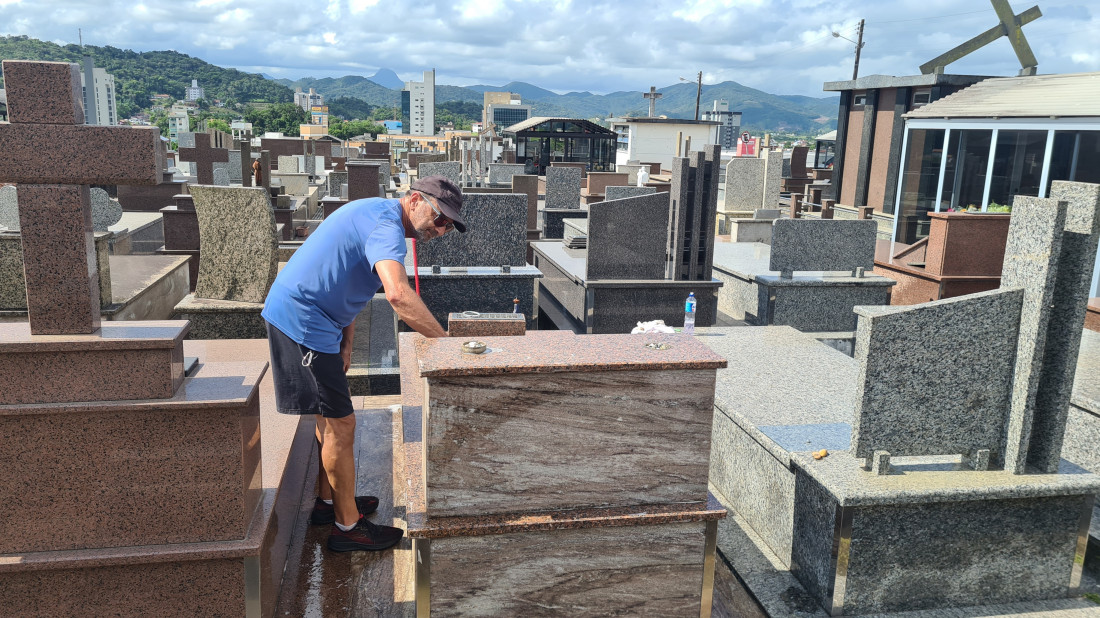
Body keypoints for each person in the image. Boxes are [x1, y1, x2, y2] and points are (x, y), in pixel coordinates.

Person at [261, 175, 465, 552]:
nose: (442, 229)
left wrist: (347, 341)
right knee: (342, 424)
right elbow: (399, 296)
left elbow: (347, 276)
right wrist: (447, 346)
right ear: (415, 199)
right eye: (440, 218)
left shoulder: (377, 214)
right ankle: (348, 527)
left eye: (450, 225)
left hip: (317, 322)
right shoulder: (386, 226)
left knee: (329, 418)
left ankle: (329, 503)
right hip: (302, 322)